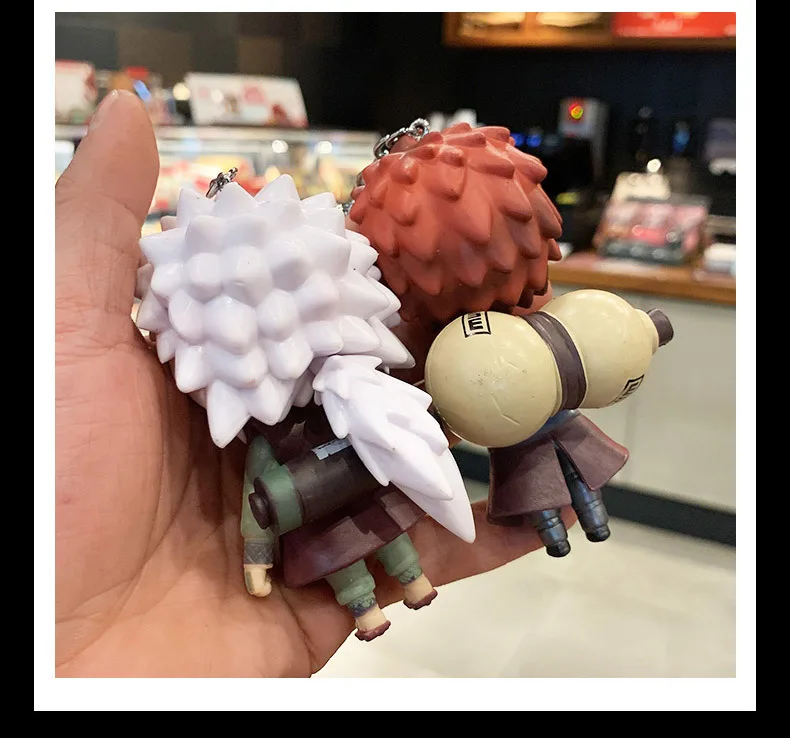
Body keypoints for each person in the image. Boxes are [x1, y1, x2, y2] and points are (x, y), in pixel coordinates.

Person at [55, 90, 574, 677]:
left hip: (340, 478)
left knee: (387, 529)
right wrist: (255, 556)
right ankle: (377, 600)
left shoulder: (304, 404)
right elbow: (257, 503)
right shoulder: (272, 431)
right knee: (354, 551)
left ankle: (410, 579)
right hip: (315, 510)